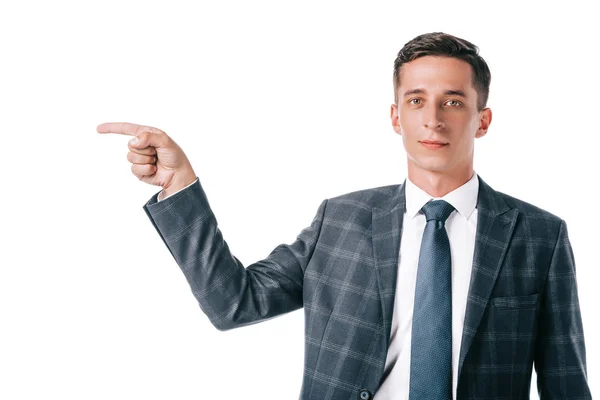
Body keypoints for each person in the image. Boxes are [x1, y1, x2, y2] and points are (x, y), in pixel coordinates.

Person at [98, 32, 592, 400]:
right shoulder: (341, 220)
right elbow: (234, 304)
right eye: (416, 100)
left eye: (454, 101)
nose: (433, 118)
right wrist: (180, 185)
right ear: (396, 116)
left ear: (482, 119)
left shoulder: (539, 237)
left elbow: (565, 383)